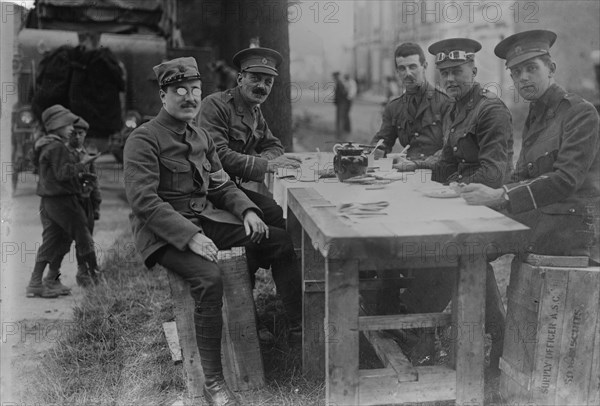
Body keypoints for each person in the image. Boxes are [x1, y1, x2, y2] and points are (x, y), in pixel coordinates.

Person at [123, 57, 302, 405]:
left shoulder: (200, 136)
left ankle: (295, 326)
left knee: (278, 240)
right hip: (163, 234)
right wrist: (190, 236)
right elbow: (143, 201)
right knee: (208, 278)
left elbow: (220, 186)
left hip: (207, 221)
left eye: (194, 91)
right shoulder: (143, 138)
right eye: (180, 91)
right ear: (163, 95)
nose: (189, 98)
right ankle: (214, 382)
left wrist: (247, 211)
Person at [394, 39, 514, 370]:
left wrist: (451, 189)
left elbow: (493, 173)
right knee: (427, 238)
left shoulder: (491, 111)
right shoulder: (458, 108)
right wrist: (417, 168)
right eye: (444, 73)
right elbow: (447, 159)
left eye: (457, 72)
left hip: (492, 210)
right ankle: (495, 333)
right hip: (464, 207)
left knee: (442, 250)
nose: (450, 80)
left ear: (474, 71)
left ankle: (417, 327)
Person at [458, 30, 599, 264]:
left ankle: (412, 302)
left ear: (551, 69)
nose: (522, 77)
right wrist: (478, 191)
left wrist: (499, 195)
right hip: (542, 216)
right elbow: (523, 176)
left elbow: (565, 179)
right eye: (516, 72)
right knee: (463, 232)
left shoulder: (580, 113)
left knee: (467, 246)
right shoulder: (536, 113)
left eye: (531, 68)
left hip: (570, 225)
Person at [199, 47, 301, 230]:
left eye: (268, 82)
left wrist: (263, 161)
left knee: (280, 213)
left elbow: (274, 145)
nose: (262, 87)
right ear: (240, 79)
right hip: (208, 192)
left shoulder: (254, 110)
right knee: (276, 219)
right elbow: (218, 155)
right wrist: (266, 165)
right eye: (255, 78)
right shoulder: (215, 105)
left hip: (230, 188)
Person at [26, 105, 100, 298]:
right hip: (64, 201)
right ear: (56, 125)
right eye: (67, 124)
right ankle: (94, 277)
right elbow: (62, 174)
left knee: (54, 240)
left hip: (48, 201)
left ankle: (39, 282)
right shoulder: (58, 146)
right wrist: (83, 164)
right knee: (83, 237)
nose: (71, 129)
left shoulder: (44, 144)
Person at [371, 42, 452, 167]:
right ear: (397, 71)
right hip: (406, 171)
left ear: (424, 66)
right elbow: (383, 140)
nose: (407, 73)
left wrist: (417, 164)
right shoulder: (394, 107)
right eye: (402, 68)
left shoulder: (445, 102)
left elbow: (450, 149)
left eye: (412, 67)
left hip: (438, 173)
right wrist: (375, 151)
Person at [332, 71, 350, 139]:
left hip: (341, 103)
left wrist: (338, 100)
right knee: (339, 118)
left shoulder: (339, 83)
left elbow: (343, 93)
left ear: (336, 76)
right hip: (340, 103)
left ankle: (340, 134)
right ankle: (339, 133)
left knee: (340, 119)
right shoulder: (339, 83)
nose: (333, 78)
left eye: (334, 76)